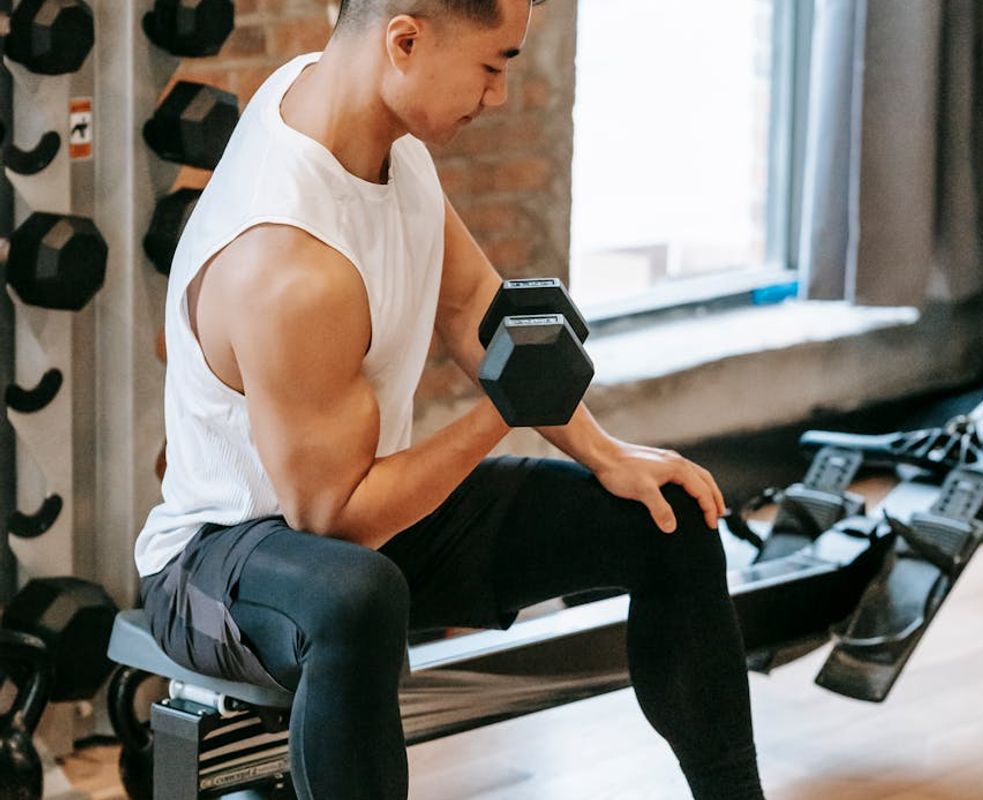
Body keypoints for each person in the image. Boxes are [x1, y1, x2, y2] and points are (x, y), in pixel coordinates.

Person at [133, 0, 765, 797]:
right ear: (404, 41)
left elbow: (471, 307)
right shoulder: (289, 262)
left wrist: (607, 455)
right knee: (355, 594)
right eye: (492, 66)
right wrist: (501, 414)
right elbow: (336, 520)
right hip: (220, 561)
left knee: (665, 516)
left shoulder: (368, 125)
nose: (497, 94)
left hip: (362, 522)